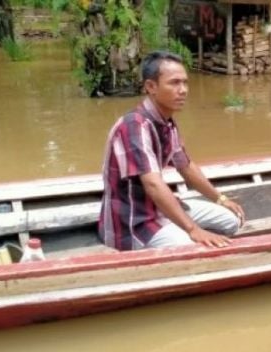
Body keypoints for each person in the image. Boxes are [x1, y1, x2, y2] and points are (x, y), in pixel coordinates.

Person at [98, 50, 244, 251]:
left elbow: (186, 166)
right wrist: (193, 230)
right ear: (151, 87)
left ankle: (180, 230)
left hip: (160, 210)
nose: (183, 90)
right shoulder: (134, 126)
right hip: (134, 222)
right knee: (189, 247)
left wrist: (220, 198)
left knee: (232, 220)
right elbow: (153, 185)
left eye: (185, 83)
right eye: (174, 83)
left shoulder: (167, 123)